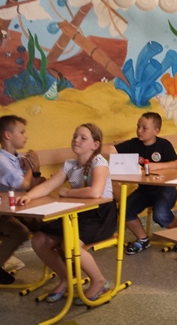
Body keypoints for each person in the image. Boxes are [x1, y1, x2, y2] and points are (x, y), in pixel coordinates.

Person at [17, 123, 116, 304]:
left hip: (99, 215)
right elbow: (48, 186)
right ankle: (66, 278)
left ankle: (99, 281)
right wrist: (28, 196)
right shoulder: (70, 165)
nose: (76, 140)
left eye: (83, 138)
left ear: (95, 145)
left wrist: (67, 192)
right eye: (75, 136)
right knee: (39, 240)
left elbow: (95, 192)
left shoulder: (99, 162)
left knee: (70, 245)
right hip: (78, 213)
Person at [0, 115, 46, 284]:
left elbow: (30, 188)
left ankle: (63, 263)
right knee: (20, 232)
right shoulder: (1, 161)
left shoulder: (18, 159)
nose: (26, 136)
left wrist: (35, 171)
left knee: (48, 223)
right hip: (0, 215)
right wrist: (33, 168)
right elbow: (24, 183)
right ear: (8, 135)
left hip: (19, 210)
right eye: (22, 132)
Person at [113, 112, 177, 255]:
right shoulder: (133, 144)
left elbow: (176, 164)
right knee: (125, 210)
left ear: (156, 131)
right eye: (138, 126)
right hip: (144, 190)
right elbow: (112, 150)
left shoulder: (164, 145)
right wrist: (92, 147)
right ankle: (143, 239)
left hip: (165, 189)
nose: (139, 130)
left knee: (160, 214)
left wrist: (156, 166)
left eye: (144, 128)